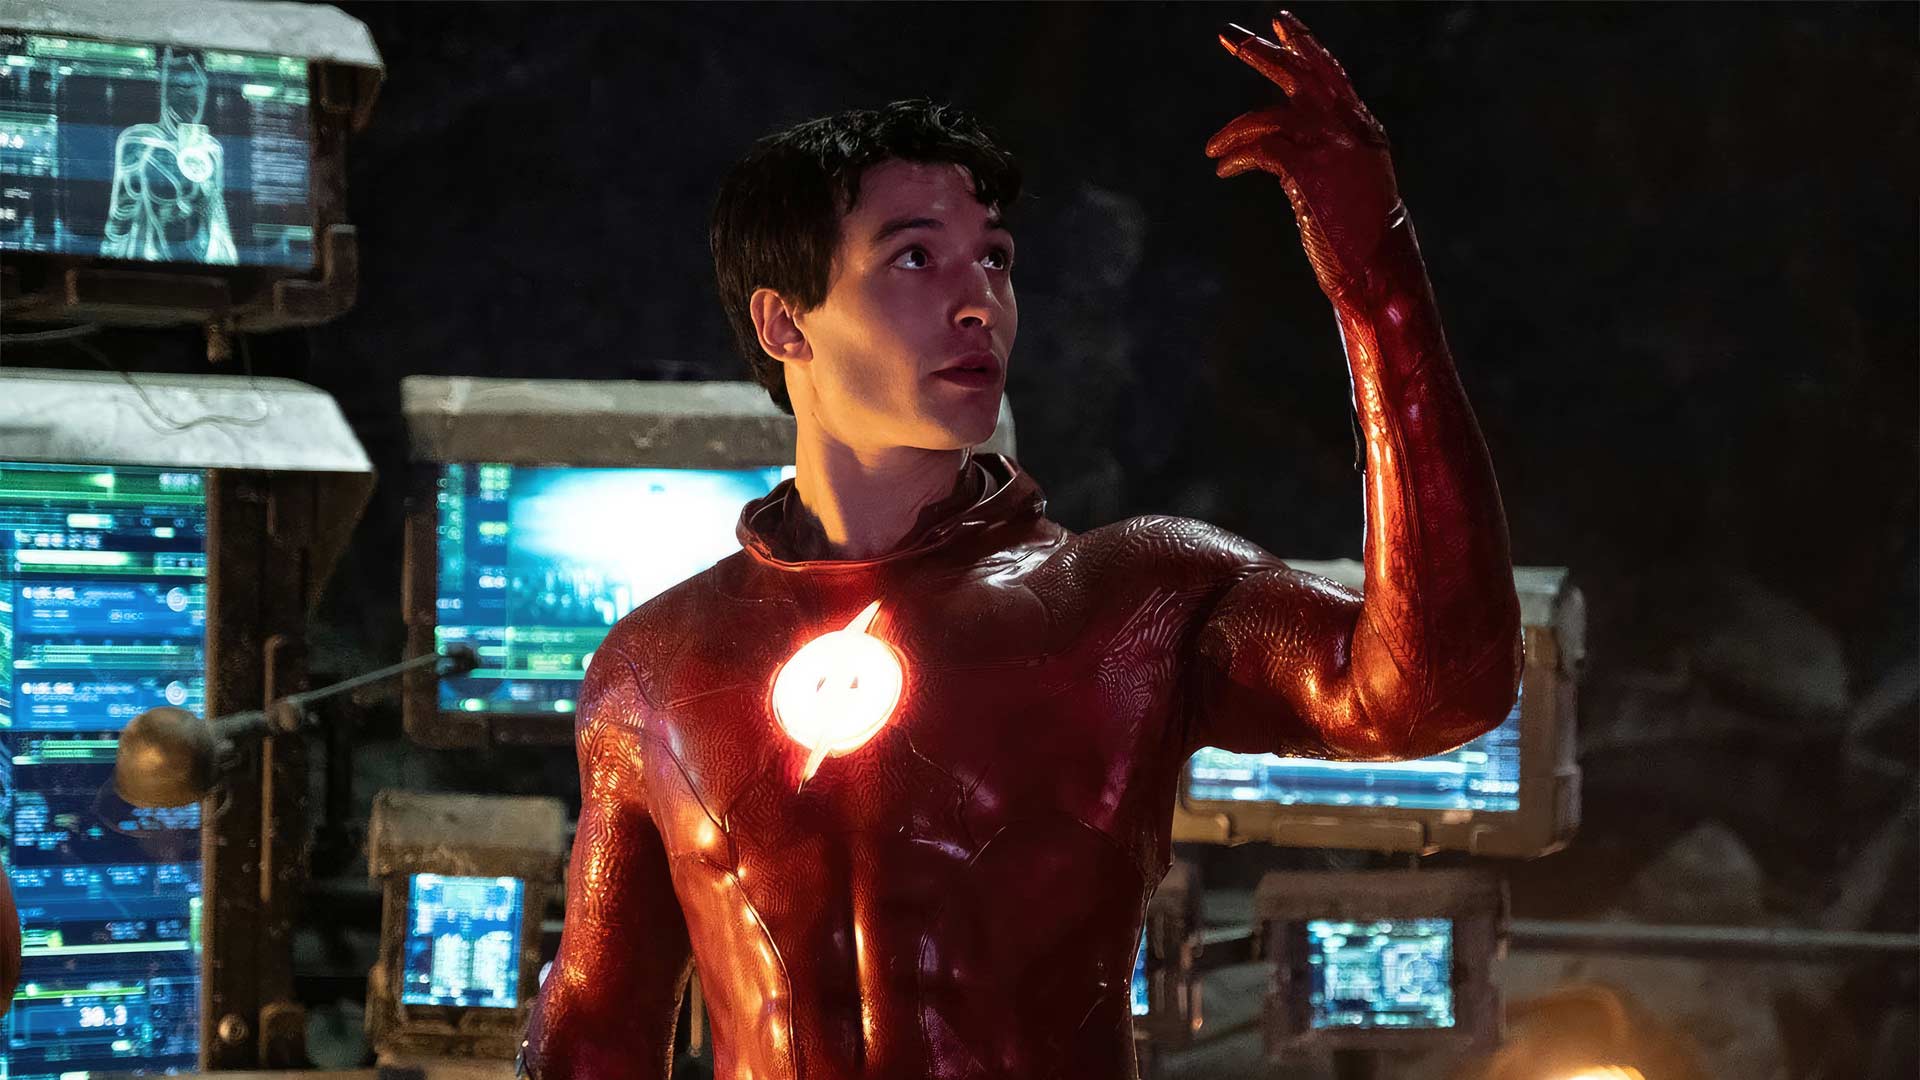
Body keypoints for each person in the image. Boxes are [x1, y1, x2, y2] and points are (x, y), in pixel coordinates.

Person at [523, 13, 1521, 1079]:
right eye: (916, 257)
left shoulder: (1134, 598)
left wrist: (1379, 282)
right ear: (785, 323)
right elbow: (594, 1036)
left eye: (994, 258)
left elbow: (1431, 693)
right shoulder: (652, 668)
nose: (979, 303)